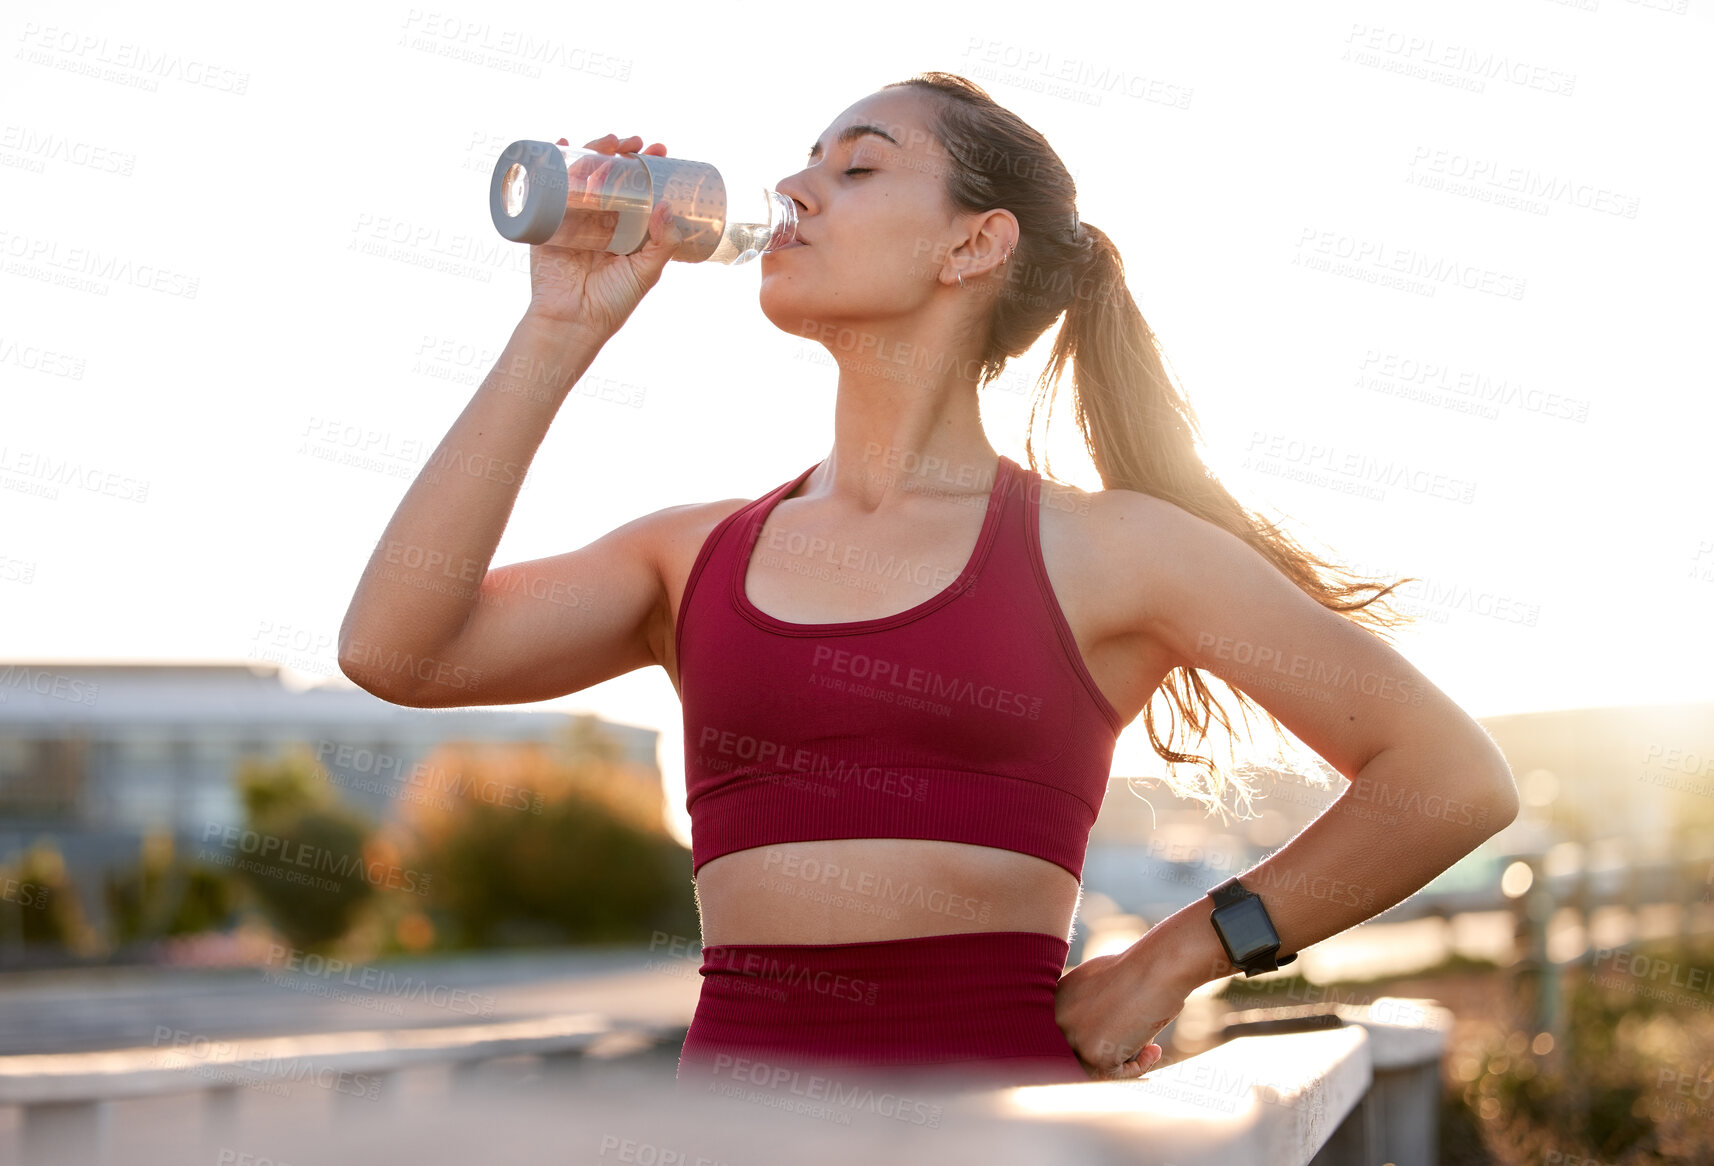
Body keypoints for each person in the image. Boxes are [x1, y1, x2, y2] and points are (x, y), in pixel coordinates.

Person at [338, 72, 1519, 1090]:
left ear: (973, 243)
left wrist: (1168, 962)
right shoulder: (691, 555)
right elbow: (397, 650)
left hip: (1007, 1132)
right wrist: (558, 327)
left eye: (856, 168)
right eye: (802, 165)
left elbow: (1450, 777)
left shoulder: (1115, 550)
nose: (795, 191)